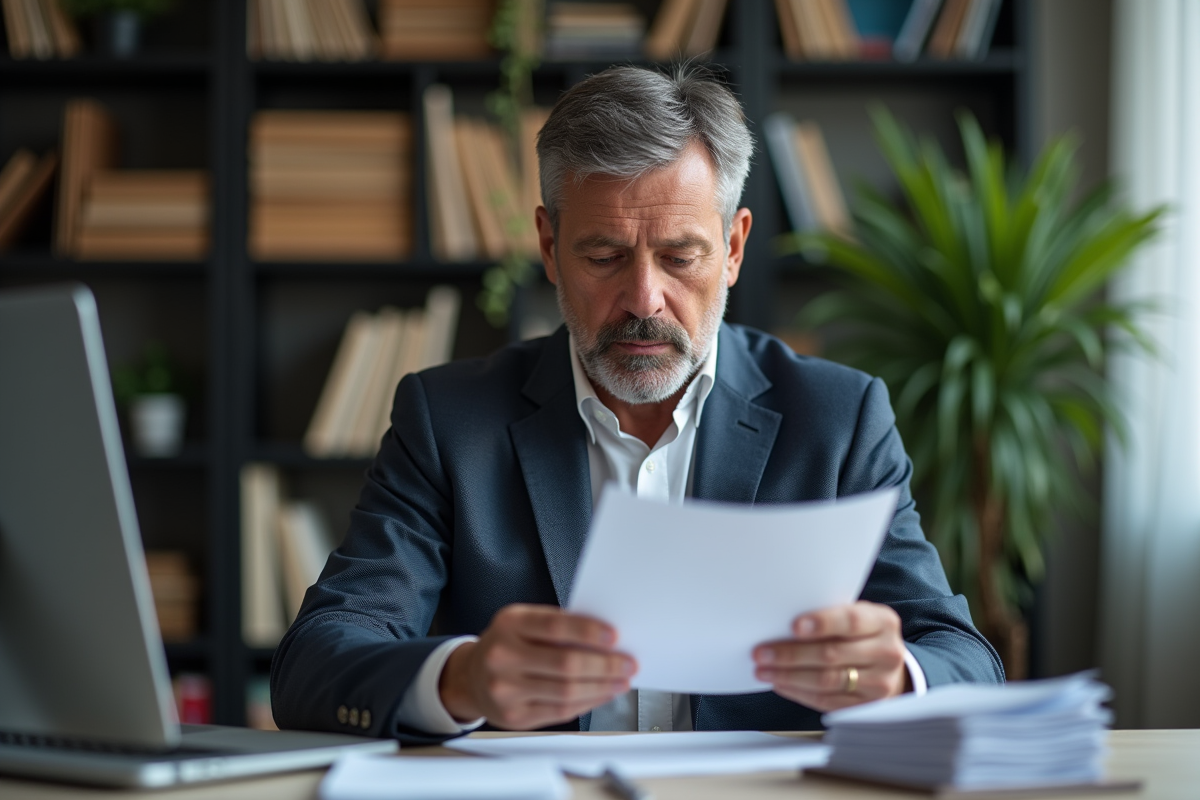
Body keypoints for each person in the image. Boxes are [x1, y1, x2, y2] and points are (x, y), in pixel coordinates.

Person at [271, 65, 1004, 745]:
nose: (644, 301)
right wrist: (461, 680)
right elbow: (314, 663)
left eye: (681, 257)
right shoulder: (447, 421)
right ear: (549, 246)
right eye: (603, 257)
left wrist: (897, 677)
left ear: (735, 247)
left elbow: (964, 659)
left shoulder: (841, 420)